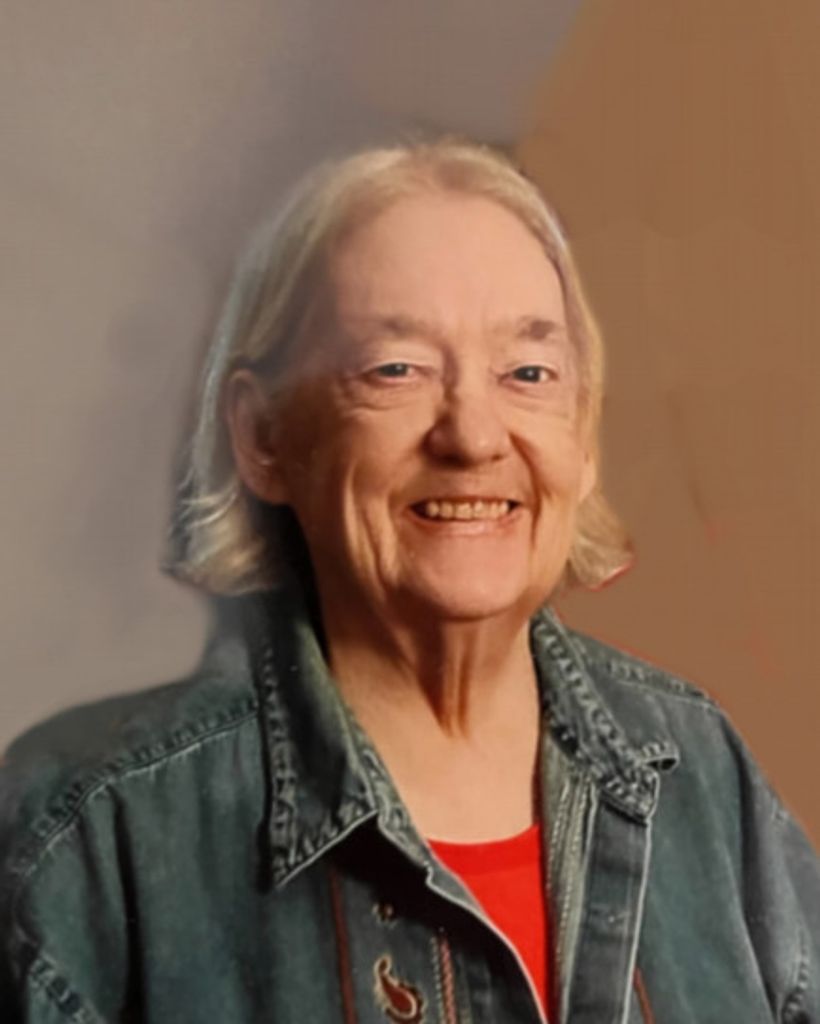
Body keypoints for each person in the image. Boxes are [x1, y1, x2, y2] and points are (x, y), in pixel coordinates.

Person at [1, 140, 818, 1024]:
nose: (473, 436)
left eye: (528, 374)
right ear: (264, 437)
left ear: (581, 436)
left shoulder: (701, 771)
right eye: (396, 369)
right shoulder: (90, 836)